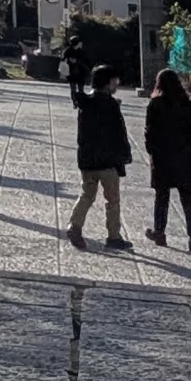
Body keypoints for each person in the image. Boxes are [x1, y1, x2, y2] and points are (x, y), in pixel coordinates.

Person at [68, 64, 135, 251]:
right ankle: (114, 237)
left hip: (87, 159)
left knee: (87, 195)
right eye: (115, 80)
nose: (117, 84)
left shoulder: (85, 103)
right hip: (107, 161)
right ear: (107, 82)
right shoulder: (111, 106)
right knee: (112, 200)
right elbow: (118, 134)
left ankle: (74, 226)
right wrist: (124, 156)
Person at [144, 67, 191, 256]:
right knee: (187, 199)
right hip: (185, 157)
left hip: (162, 158)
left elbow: (149, 132)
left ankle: (159, 232)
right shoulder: (188, 105)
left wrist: (152, 151)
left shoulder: (155, 104)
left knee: (161, 197)